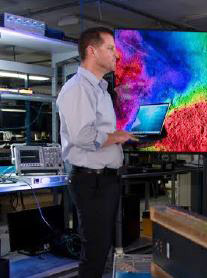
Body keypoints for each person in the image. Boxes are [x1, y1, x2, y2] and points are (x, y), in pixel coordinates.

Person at [56, 27, 138, 278]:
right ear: (92, 51)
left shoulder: (100, 90)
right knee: (95, 251)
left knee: (101, 248)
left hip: (104, 179)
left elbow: (96, 132)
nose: (117, 55)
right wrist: (117, 137)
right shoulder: (78, 88)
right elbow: (83, 136)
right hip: (91, 181)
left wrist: (119, 137)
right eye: (110, 48)